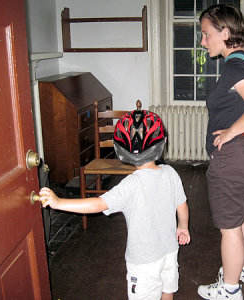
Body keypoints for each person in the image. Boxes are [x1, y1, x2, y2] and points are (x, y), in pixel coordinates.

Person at [39, 109, 191, 300]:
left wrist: (59, 202)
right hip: (169, 251)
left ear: (120, 150)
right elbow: (182, 205)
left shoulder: (131, 185)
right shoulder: (170, 172)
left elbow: (97, 204)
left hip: (143, 261)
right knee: (167, 290)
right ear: (163, 144)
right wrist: (182, 227)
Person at [197, 4, 244, 300]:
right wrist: (243, 117)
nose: (203, 42)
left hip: (232, 157)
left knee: (229, 227)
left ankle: (230, 288)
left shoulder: (233, 65)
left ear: (224, 33)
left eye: (206, 35)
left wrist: (230, 130)